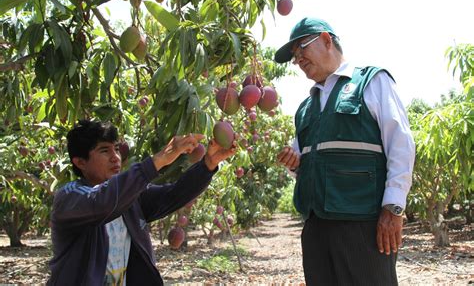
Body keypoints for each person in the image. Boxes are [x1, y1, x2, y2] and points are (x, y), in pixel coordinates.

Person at [275, 17, 415, 285]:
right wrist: (294, 164)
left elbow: (401, 144)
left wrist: (393, 208)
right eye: (294, 56)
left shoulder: (371, 82)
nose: (298, 59)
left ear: (327, 40)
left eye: (301, 48)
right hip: (317, 227)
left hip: (362, 224)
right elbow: (309, 165)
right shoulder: (306, 107)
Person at [47, 119, 236, 285]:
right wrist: (159, 159)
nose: (115, 157)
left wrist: (208, 164)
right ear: (80, 162)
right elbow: (101, 202)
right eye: (104, 151)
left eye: (116, 149)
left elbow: (172, 195)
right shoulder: (70, 197)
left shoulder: (130, 197)